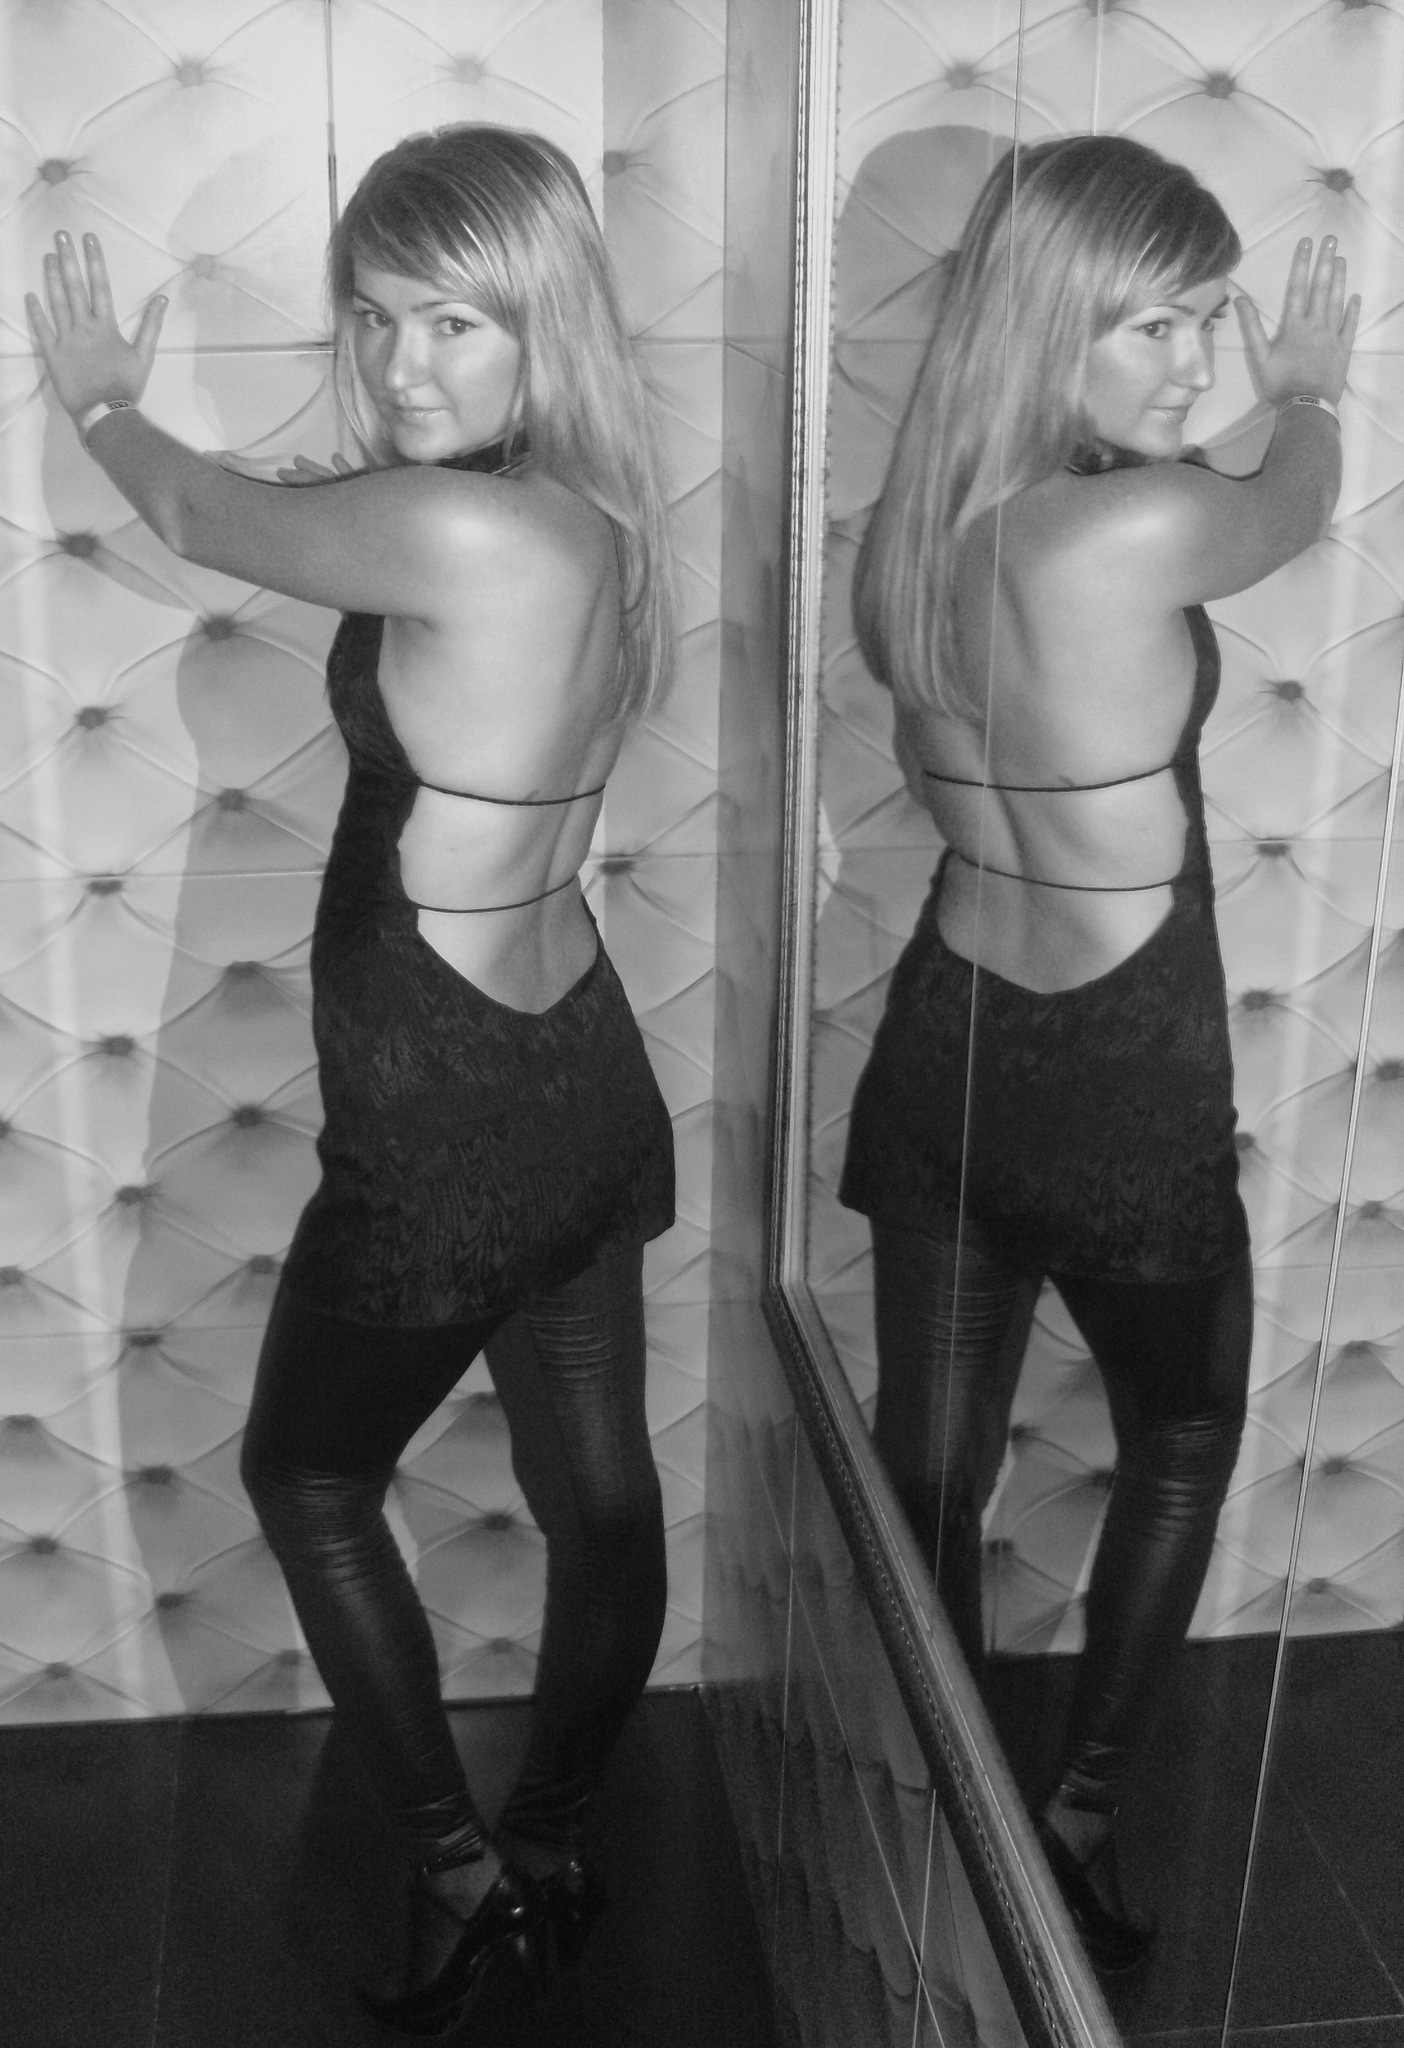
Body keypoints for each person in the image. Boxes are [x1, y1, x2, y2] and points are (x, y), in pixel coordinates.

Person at [28, 123, 677, 2036]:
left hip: (446, 1117)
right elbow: (375, 521)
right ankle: (558, 1839)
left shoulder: (458, 530)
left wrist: (103, 404)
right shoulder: (579, 511)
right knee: (603, 1500)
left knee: (306, 1475)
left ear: (544, 320)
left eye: (454, 321)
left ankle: (461, 1875)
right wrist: (364, 474)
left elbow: (202, 513)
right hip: (575, 1073)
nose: (400, 365)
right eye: (375, 317)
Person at [838, 134, 1357, 1974]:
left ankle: (942, 1785)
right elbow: (1288, 504)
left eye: (1214, 320)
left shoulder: (916, 529)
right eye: (1156, 323)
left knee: (930, 1470)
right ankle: (1073, 1813)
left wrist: (1231, 382)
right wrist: (1309, 391)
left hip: (948, 1040)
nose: (1199, 365)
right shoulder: (1132, 530)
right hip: (1120, 1071)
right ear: (1047, 323)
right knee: (1187, 1433)